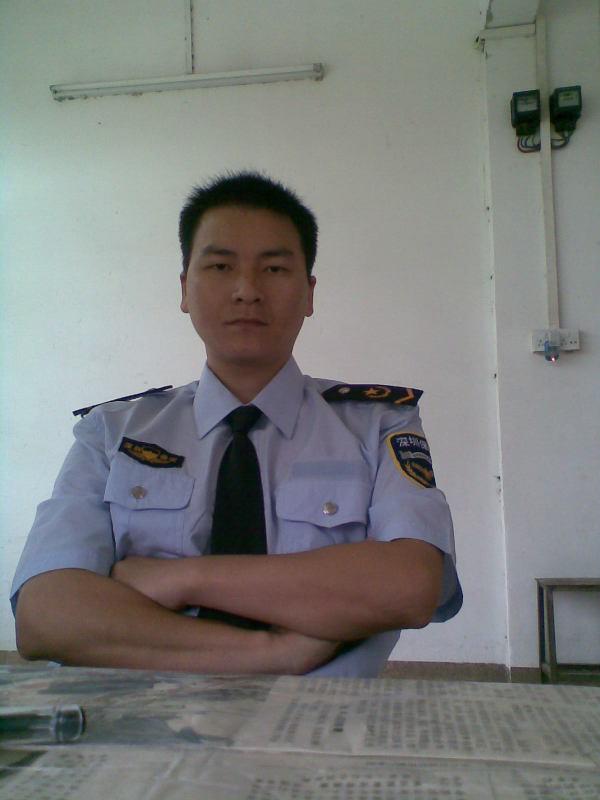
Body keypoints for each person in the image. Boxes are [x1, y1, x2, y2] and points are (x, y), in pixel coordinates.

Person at [11, 172, 462, 677]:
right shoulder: (112, 432)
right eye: (221, 266)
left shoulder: (377, 424)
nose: (247, 290)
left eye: (274, 268)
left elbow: (411, 586)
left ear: (309, 294)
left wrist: (181, 579)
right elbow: (45, 615)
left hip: (322, 718)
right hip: (144, 719)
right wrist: (270, 655)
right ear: (185, 289)